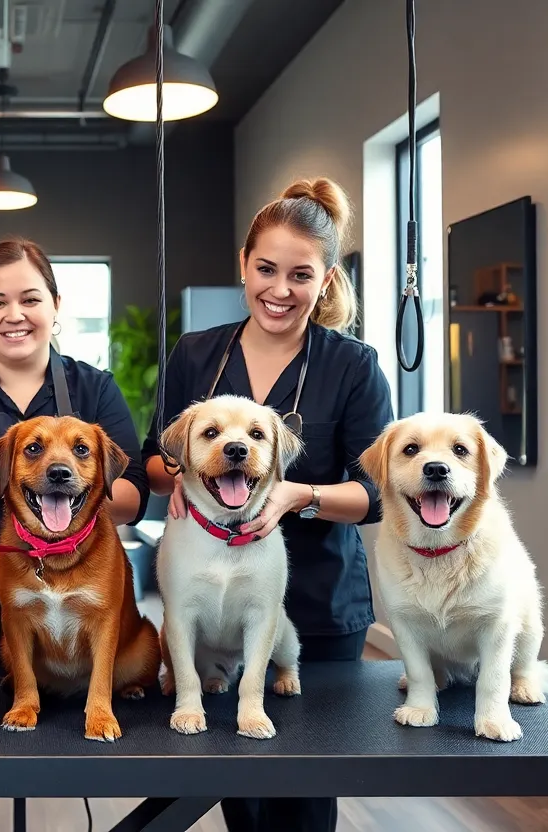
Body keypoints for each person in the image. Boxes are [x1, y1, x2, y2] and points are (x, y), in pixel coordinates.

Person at [143, 177, 393, 832]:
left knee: (304, 794)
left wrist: (298, 495)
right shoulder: (198, 354)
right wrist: (185, 474)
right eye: (266, 270)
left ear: (326, 279)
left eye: (301, 275)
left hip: (319, 604)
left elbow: (376, 494)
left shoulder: (353, 366)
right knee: (238, 787)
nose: (279, 290)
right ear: (244, 265)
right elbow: (152, 462)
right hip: (213, 604)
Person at [0, 237, 151, 672]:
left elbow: (131, 498)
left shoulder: (95, 388)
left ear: (55, 306)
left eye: (30, 299)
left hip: (80, 629)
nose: (14, 315)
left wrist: (66, 484)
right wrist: (16, 475)